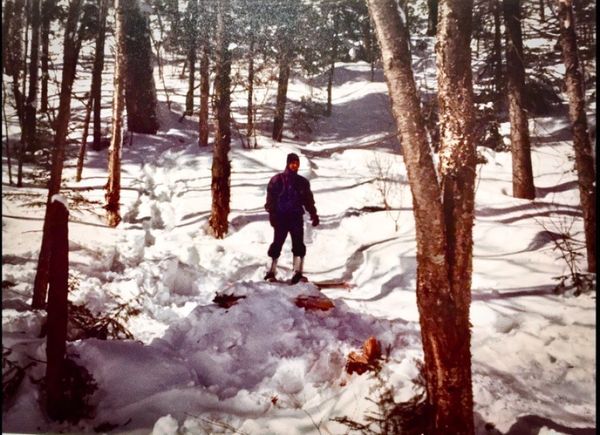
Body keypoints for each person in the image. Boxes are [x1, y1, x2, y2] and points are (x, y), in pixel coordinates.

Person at [264, 153, 319, 283]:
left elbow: (308, 201)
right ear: (288, 163)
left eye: (297, 163)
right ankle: (270, 272)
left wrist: (313, 214)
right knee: (277, 244)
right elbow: (270, 200)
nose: (295, 165)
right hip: (281, 218)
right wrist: (272, 214)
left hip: (296, 218)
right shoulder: (277, 180)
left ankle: (297, 273)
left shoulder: (302, 182)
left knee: (299, 245)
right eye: (292, 163)